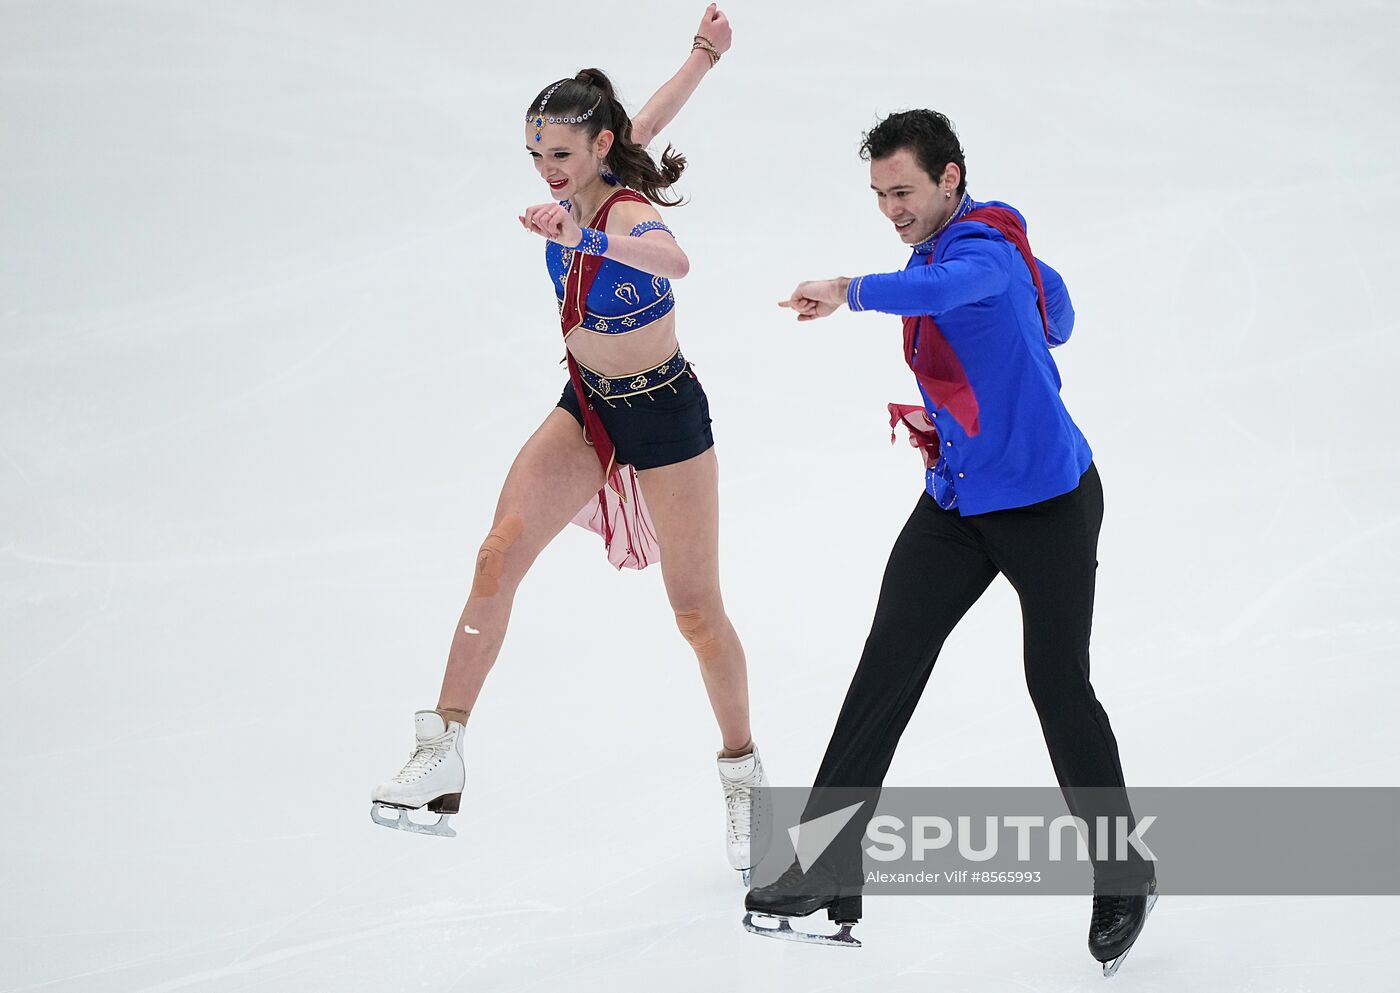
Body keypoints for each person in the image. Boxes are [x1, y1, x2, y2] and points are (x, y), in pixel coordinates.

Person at [742, 109, 1157, 975]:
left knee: (1057, 685)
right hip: (958, 502)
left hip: (1047, 505)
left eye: (904, 190)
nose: (891, 209)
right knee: (886, 664)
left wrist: (851, 288)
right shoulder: (965, 249)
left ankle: (1125, 874)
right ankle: (826, 867)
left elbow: (962, 296)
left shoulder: (980, 254)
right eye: (879, 194)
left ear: (949, 178)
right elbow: (1060, 317)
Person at [370, 5, 766, 887]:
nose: (548, 171)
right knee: (496, 553)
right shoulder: (599, 165)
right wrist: (704, 53)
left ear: (599, 147)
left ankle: (743, 775)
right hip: (586, 403)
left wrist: (582, 235)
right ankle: (443, 750)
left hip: (665, 414)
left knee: (696, 610)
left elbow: (676, 263)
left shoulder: (623, 210)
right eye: (537, 155)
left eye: (561, 154)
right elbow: (655, 112)